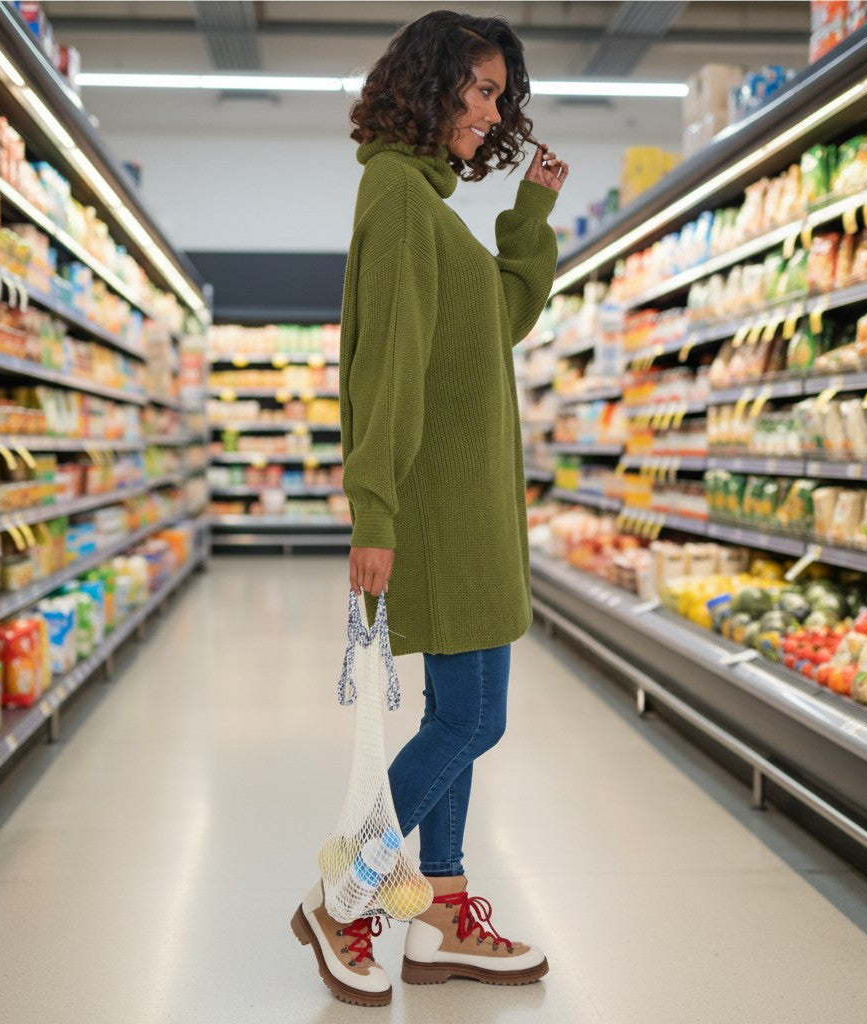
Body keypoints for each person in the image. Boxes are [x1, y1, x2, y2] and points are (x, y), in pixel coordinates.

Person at [290, 10, 568, 1007]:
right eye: (481, 90)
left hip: (476, 510)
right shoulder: (399, 196)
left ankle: (440, 910)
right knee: (473, 720)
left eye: (501, 95)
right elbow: (388, 363)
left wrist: (527, 219)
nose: (493, 111)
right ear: (434, 82)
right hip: (441, 514)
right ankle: (346, 890)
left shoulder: (432, 205)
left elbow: (498, 320)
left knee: (463, 715)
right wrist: (375, 512)